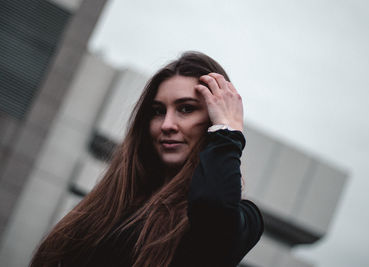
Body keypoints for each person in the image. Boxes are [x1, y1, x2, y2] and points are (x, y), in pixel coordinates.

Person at [30, 51, 263, 267]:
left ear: (215, 118)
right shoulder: (113, 202)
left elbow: (212, 212)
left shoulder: (244, 220)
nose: (167, 125)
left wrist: (228, 132)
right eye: (158, 111)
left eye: (186, 109)